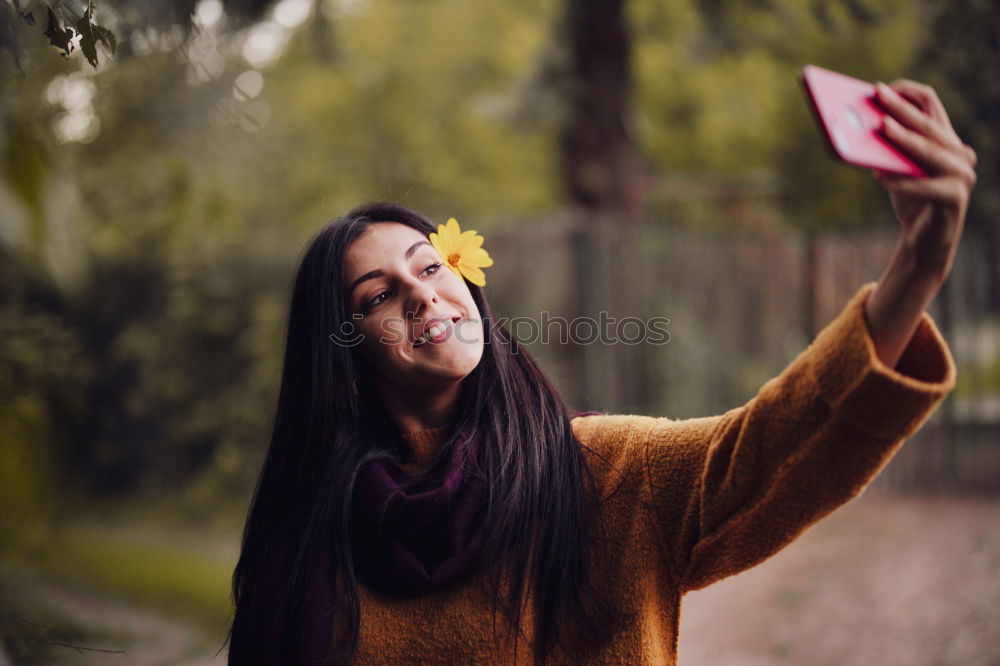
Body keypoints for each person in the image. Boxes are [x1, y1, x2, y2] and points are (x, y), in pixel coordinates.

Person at [224, 78, 976, 665]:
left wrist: (917, 264)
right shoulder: (306, 552)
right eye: (380, 293)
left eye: (432, 264)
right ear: (344, 353)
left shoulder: (605, 475)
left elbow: (773, 443)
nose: (423, 292)